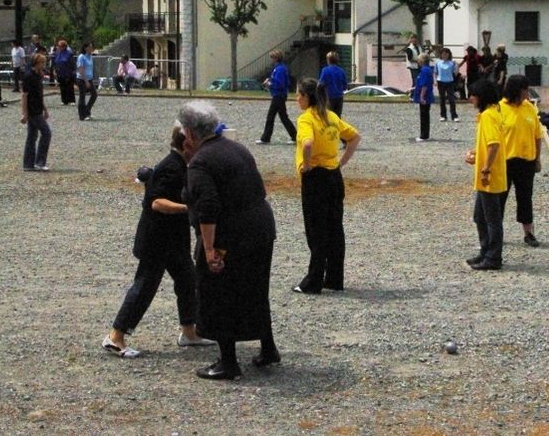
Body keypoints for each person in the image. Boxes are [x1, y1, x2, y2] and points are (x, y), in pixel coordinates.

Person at [179, 100, 280, 380]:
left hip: (231, 233)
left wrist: (209, 249)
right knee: (255, 288)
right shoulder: (237, 148)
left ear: (189, 133)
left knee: (218, 291)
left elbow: (207, 205)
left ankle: (228, 362)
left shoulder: (201, 161)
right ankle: (268, 348)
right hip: (261, 226)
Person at [102, 123, 214, 358]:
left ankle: (189, 332)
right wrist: (189, 208)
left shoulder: (182, 165)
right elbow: (156, 202)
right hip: (156, 240)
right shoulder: (170, 167)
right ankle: (115, 336)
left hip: (173, 241)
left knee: (187, 281)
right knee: (144, 287)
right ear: (186, 144)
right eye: (198, 143)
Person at [292, 77, 361, 294]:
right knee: (334, 228)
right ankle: (334, 278)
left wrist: (306, 164)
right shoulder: (330, 116)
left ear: (306, 97)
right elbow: (354, 137)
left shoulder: (306, 119)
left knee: (316, 230)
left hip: (316, 177)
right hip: (334, 176)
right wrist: (342, 161)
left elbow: (308, 142)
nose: (296, 98)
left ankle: (313, 281)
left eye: (298, 94)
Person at [464, 78, 508, 270]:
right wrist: (476, 153)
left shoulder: (489, 116)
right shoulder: (490, 114)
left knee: (491, 219)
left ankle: (493, 257)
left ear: (480, 97)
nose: (470, 99)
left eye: (472, 95)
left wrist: (486, 167)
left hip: (489, 176)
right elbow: (488, 144)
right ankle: (485, 252)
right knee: (480, 217)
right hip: (488, 174)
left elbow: (493, 145)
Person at [500, 74, 543, 246]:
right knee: (499, 198)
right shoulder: (499, 108)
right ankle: (496, 232)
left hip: (526, 161)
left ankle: (528, 232)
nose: (528, 92)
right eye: (525, 89)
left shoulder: (530, 108)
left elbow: (537, 136)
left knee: (525, 197)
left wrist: (538, 159)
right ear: (517, 90)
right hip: (505, 160)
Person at [256, 49, 297, 144]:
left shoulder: (280, 69)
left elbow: (280, 84)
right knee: (283, 117)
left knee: (271, 116)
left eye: (272, 58)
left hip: (278, 95)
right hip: (279, 95)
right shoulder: (280, 68)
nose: (272, 59)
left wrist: (269, 84)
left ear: (276, 58)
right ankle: (294, 135)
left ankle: (266, 138)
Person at [21, 53, 51, 171]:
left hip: (38, 108)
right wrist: (24, 113)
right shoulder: (28, 76)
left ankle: (28, 164)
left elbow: (39, 95)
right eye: (42, 63)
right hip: (32, 110)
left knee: (32, 136)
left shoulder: (39, 76)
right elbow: (24, 95)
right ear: (36, 63)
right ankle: (39, 161)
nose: (44, 65)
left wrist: (45, 109)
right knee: (46, 133)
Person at [317, 51, 348, 117]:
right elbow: (345, 86)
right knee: (337, 117)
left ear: (328, 60)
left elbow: (321, 84)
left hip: (329, 97)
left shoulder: (325, 70)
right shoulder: (341, 71)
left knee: (328, 117)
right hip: (339, 97)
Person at [412, 53, 434, 142]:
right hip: (426, 95)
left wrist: (421, 97)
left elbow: (424, 85)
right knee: (425, 115)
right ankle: (425, 134)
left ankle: (423, 135)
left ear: (422, 61)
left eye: (418, 60)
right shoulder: (427, 70)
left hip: (425, 96)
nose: (417, 61)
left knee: (424, 116)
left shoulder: (424, 70)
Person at [434, 47, 459, 122]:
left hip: (450, 82)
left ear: (449, 54)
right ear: (441, 54)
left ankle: (454, 115)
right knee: (442, 99)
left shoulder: (452, 63)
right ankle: (443, 115)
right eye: (443, 54)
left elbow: (455, 73)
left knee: (451, 99)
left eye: (446, 54)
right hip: (440, 81)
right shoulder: (438, 62)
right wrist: (435, 81)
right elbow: (435, 72)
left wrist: (456, 66)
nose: (445, 55)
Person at [76, 42, 98, 121]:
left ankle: (87, 111)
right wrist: (86, 81)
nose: (91, 49)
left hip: (89, 78)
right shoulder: (82, 57)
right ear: (85, 48)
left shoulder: (90, 56)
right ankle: (82, 116)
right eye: (90, 47)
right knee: (82, 97)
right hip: (82, 79)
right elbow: (80, 69)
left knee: (94, 94)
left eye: (92, 47)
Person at [54, 39, 76, 105]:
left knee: (69, 86)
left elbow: (72, 64)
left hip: (68, 72)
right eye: (58, 46)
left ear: (64, 46)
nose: (58, 47)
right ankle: (64, 100)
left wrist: (72, 72)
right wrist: (55, 69)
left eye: (59, 46)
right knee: (62, 86)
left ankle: (72, 100)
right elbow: (55, 61)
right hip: (60, 71)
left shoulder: (69, 53)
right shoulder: (57, 53)